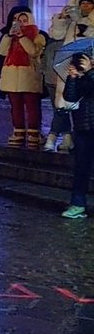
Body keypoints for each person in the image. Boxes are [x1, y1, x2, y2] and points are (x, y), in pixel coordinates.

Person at [0, 9, 46, 148]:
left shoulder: (38, 36)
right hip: (12, 75)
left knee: (32, 106)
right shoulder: (10, 37)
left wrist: (22, 37)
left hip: (29, 75)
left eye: (25, 21)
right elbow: (1, 52)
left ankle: (33, 133)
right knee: (16, 106)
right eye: (19, 21)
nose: (22, 23)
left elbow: (33, 51)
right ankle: (18, 132)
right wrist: (8, 37)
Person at [62, 53, 94, 218]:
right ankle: (77, 204)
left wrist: (89, 72)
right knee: (81, 167)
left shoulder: (90, 75)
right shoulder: (80, 79)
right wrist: (72, 77)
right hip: (83, 128)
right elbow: (69, 97)